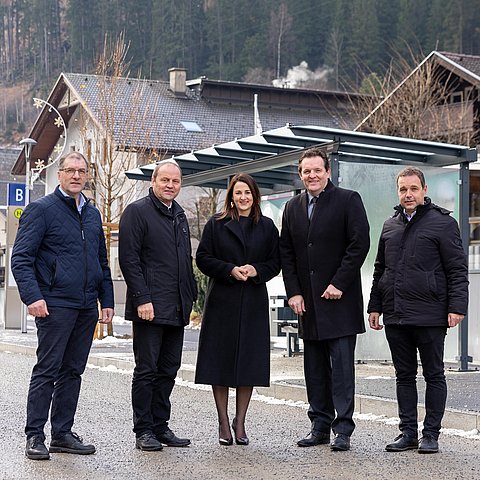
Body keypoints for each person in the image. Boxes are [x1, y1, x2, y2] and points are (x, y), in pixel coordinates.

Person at [11, 151, 114, 461]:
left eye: (81, 171)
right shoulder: (41, 210)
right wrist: (33, 296)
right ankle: (34, 436)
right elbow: (21, 258)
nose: (76, 176)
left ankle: (63, 434)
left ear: (86, 176)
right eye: (70, 170)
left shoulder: (93, 214)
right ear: (60, 174)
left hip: (85, 306)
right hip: (54, 304)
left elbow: (101, 262)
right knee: (48, 369)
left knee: (73, 371)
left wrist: (106, 301)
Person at [367, 167, 468, 454]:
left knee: (434, 374)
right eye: (403, 189)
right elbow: (380, 270)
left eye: (413, 188)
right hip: (396, 313)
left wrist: (457, 307)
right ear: (397, 192)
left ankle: (431, 435)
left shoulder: (443, 223)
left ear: (424, 190)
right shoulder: (390, 225)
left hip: (430, 314)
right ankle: (408, 433)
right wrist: (375, 306)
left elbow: (457, 270)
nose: (408, 194)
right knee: (404, 376)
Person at [280, 147, 370, 452]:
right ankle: (319, 425)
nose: (312, 175)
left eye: (317, 170)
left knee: (342, 370)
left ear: (328, 171)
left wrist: (338, 283)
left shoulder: (348, 199)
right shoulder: (292, 207)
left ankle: (342, 428)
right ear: (300, 174)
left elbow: (359, 245)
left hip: (339, 300)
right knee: (314, 368)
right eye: (306, 171)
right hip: (308, 304)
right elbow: (287, 253)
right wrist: (293, 291)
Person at [195, 173, 280, 446]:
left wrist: (257, 270)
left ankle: (240, 421)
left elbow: (275, 262)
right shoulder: (216, 225)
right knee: (218, 362)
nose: (243, 197)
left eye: (248, 193)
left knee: (249, 363)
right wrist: (229, 269)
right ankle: (223, 421)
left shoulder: (267, 227)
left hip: (253, 300)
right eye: (238, 192)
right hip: (223, 300)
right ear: (231, 195)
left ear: (255, 196)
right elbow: (203, 258)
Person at [119, 159, 197, 452]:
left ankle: (161, 426)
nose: (170, 185)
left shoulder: (179, 214)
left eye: (175, 181)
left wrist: (189, 297)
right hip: (149, 307)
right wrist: (143, 298)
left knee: (168, 370)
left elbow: (183, 261)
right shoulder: (137, 212)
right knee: (147, 370)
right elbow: (129, 259)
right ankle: (143, 430)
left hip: (176, 306)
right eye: (165, 180)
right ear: (153, 181)